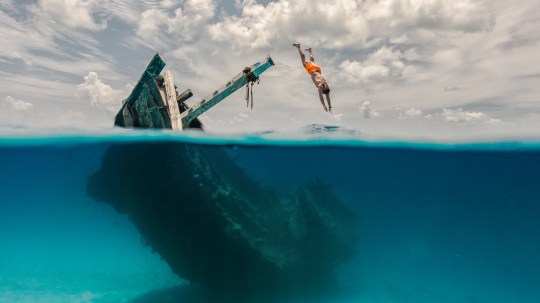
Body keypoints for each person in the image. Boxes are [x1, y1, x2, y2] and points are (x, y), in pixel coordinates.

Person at [293, 43, 332, 112]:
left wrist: (330, 106)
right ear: (323, 90)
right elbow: (321, 97)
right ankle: (298, 47)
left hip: (318, 70)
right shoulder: (320, 86)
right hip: (312, 71)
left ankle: (310, 51)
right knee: (303, 59)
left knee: (311, 61)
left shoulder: (327, 87)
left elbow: (327, 97)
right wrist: (324, 105)